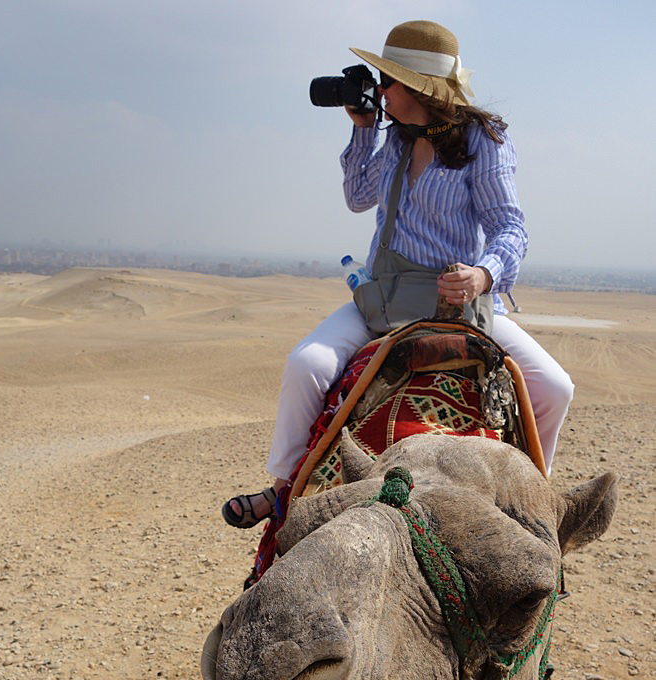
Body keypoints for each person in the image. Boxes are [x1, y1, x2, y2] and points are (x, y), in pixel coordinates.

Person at [222, 20, 573, 528]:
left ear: (421, 88)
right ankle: (281, 490)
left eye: (388, 81)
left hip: (454, 304)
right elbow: (357, 198)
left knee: (555, 388)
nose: (379, 89)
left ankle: (534, 506)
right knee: (306, 364)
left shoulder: (484, 142)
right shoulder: (393, 139)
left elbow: (511, 229)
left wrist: (482, 274)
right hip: (382, 298)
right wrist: (362, 130)